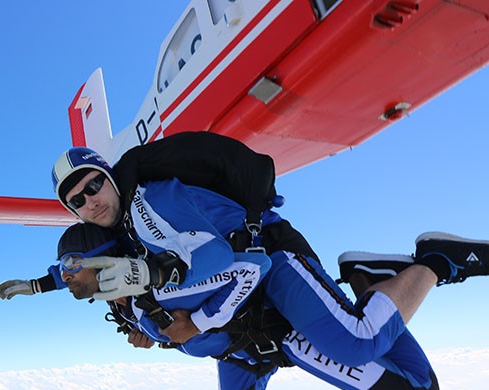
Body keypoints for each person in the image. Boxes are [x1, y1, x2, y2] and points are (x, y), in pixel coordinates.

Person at [49, 132, 489, 371]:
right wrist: (44, 283)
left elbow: (224, 263)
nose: (91, 200)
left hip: (272, 258)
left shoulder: (146, 204)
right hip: (254, 282)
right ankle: (363, 274)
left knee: (359, 344)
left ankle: (436, 259)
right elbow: (85, 269)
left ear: (109, 176)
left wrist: (181, 307)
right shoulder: (128, 227)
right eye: (78, 201)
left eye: (93, 184)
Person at [2, 222, 455, 390]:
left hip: (275, 333)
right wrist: (38, 285)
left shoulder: (162, 285)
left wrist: (196, 323)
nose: (73, 278)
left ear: (113, 262)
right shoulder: (114, 293)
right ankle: (270, 358)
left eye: (78, 267)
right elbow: (73, 282)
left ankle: (425, 266)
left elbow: (248, 271)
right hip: (236, 351)